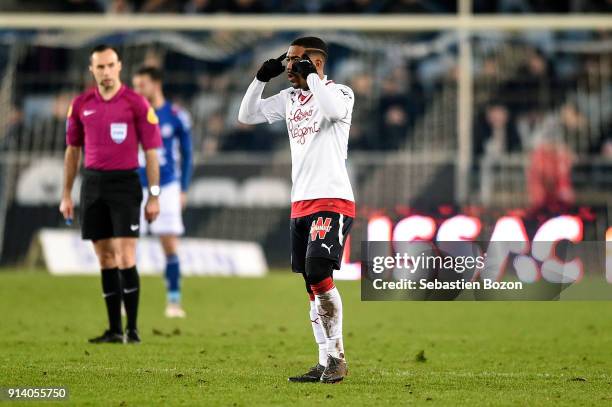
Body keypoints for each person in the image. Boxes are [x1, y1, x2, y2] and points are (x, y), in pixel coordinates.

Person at [238, 37, 355, 383]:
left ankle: (337, 357)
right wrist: (260, 77)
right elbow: (246, 115)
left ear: (316, 63)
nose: (288, 67)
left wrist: (314, 78)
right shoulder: (290, 99)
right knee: (311, 285)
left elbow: (333, 111)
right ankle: (325, 361)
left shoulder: (340, 92)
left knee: (319, 271)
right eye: (286, 61)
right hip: (300, 202)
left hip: (332, 199)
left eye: (295, 61)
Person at [59, 44, 162, 344]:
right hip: (92, 185)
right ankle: (114, 330)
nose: (105, 71)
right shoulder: (80, 104)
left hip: (125, 185)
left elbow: (152, 152)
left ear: (119, 67)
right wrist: (66, 193)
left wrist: (153, 195)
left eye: (110, 65)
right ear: (92, 70)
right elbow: (72, 151)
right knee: (104, 258)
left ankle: (133, 329)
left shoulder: (136, 104)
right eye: (100, 67)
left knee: (126, 255)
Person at [132, 66, 193, 318]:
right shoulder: (131, 113)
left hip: (167, 186)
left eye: (141, 85)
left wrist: (184, 188)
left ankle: (174, 301)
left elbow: (188, 154)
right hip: (134, 186)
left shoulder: (176, 115)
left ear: (155, 84)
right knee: (126, 247)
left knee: (169, 244)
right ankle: (127, 301)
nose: (137, 90)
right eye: (135, 86)